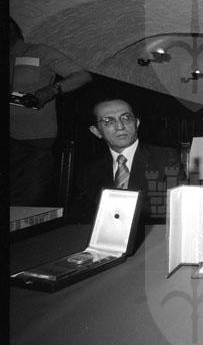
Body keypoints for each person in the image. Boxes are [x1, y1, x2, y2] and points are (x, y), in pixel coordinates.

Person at [10, 16, 92, 206]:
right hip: (10, 140)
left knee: (25, 205)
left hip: (33, 142)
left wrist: (52, 89)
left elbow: (82, 76)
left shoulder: (39, 52)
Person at [70, 98, 184, 228]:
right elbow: (81, 216)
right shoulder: (90, 169)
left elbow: (174, 209)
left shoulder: (165, 158)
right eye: (108, 121)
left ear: (137, 123)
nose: (120, 126)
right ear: (96, 131)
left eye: (126, 118)